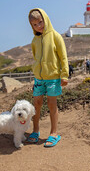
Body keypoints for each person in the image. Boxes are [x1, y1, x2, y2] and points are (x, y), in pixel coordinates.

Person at [27, 8, 69, 147]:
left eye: (40, 22)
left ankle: (54, 133)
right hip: (39, 79)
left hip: (53, 77)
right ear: (31, 26)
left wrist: (64, 75)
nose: (39, 26)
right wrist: (36, 72)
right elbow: (35, 58)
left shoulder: (56, 36)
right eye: (35, 24)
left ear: (45, 19)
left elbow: (63, 57)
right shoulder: (34, 40)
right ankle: (35, 130)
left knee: (52, 105)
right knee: (37, 105)